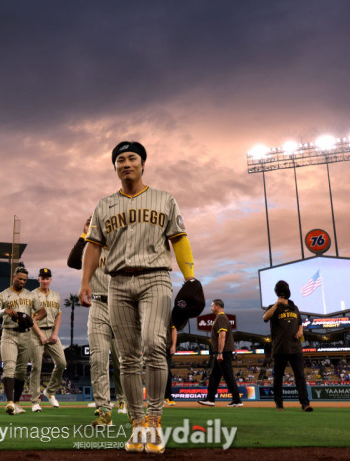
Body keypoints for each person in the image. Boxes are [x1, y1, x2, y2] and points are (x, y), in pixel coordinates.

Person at [79, 141, 198, 454]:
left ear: (143, 164)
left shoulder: (164, 199)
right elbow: (92, 246)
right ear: (115, 167)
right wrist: (85, 282)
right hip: (117, 282)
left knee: (154, 345)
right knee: (129, 357)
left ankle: (155, 419)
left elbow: (179, 239)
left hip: (155, 277)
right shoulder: (103, 205)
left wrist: (190, 277)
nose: (126, 163)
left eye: (132, 158)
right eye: (120, 159)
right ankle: (137, 424)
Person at [68, 217, 126, 426]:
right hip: (98, 305)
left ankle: (127, 403)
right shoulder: (90, 249)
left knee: (126, 362)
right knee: (98, 360)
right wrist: (84, 234)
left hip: (122, 305)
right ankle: (104, 412)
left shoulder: (122, 244)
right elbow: (73, 262)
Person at [0, 266, 47, 415]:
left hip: (26, 335)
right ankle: (9, 404)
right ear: (13, 277)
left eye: (25, 280)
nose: (22, 281)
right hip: (9, 333)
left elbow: (43, 312)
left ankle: (16, 403)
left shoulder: (30, 295)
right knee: (9, 367)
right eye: (20, 279)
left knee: (21, 372)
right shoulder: (3, 295)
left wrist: (32, 319)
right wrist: (4, 310)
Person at [263, 280, 313, 412]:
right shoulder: (273, 307)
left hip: (295, 348)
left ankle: (305, 404)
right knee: (278, 377)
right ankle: (279, 404)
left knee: (300, 376)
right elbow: (265, 317)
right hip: (280, 348)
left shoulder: (293, 307)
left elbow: (300, 322)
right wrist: (276, 304)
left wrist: (301, 330)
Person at [28, 268, 67, 412]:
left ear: (51, 280)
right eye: (42, 278)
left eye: (47, 278)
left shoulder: (56, 295)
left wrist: (55, 334)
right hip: (35, 332)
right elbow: (30, 318)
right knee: (36, 367)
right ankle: (35, 401)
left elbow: (58, 315)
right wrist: (40, 335)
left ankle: (50, 391)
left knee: (62, 363)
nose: (45, 280)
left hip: (52, 331)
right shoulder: (32, 295)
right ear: (38, 279)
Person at [197, 299, 243, 407]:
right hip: (223, 352)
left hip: (224, 352)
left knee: (228, 376)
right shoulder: (220, 317)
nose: (211, 307)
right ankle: (210, 399)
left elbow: (222, 336)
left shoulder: (221, 317)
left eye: (212, 305)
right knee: (215, 376)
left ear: (217, 306)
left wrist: (220, 352)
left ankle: (237, 400)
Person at [164, 323, 177, 406]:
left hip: (166, 348)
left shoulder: (169, 315)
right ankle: (156, 398)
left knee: (167, 372)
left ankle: (168, 396)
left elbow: (174, 330)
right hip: (154, 347)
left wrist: (173, 345)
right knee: (155, 373)